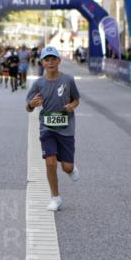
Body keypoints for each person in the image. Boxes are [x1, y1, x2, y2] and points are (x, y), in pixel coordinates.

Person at [25, 46, 81, 212]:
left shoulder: (68, 80)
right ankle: (55, 198)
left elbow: (76, 99)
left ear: (58, 61)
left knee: (67, 167)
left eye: (53, 59)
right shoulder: (38, 83)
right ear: (42, 62)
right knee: (50, 163)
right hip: (47, 128)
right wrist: (31, 104)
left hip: (66, 129)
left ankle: (70, 168)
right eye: (46, 59)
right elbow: (28, 107)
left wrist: (72, 106)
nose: (50, 62)